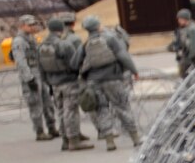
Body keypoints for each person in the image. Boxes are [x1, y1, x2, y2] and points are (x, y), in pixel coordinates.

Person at [77, 15, 141, 150]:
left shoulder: (86, 43)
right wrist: (134, 71)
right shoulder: (110, 39)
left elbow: (75, 62)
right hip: (113, 79)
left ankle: (109, 142)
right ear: (98, 26)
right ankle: (135, 138)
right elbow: (123, 56)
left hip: (94, 82)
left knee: (101, 110)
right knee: (122, 107)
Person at [38, 16, 91, 151]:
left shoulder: (42, 46)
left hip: (54, 84)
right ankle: (74, 140)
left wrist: (48, 83)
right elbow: (74, 63)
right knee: (71, 111)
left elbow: (40, 70)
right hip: (69, 82)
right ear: (61, 29)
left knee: (61, 112)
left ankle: (65, 140)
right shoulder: (64, 44)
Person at [11, 14, 55, 141]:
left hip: (39, 72)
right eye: (30, 25)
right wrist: (29, 78)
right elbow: (21, 62)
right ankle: (39, 131)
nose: (33, 27)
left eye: (33, 24)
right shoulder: (19, 41)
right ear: (22, 25)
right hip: (31, 73)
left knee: (47, 102)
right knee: (36, 104)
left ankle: (52, 127)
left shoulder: (31, 38)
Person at [169, 8, 195, 79]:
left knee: (189, 79)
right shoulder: (184, 28)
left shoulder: (192, 29)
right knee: (185, 77)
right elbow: (180, 41)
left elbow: (194, 46)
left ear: (185, 19)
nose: (178, 21)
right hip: (184, 57)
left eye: (180, 19)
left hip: (189, 59)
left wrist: (189, 58)